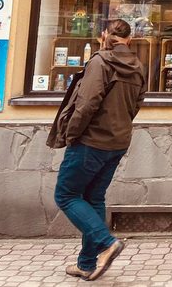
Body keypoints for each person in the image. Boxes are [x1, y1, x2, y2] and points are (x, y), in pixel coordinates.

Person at [49, 19, 146, 280]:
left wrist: (72, 134)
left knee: (66, 195)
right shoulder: (138, 67)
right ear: (130, 39)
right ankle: (86, 264)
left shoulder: (100, 62)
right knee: (94, 198)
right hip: (117, 142)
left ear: (104, 35)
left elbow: (86, 104)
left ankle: (107, 243)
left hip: (90, 141)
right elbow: (136, 104)